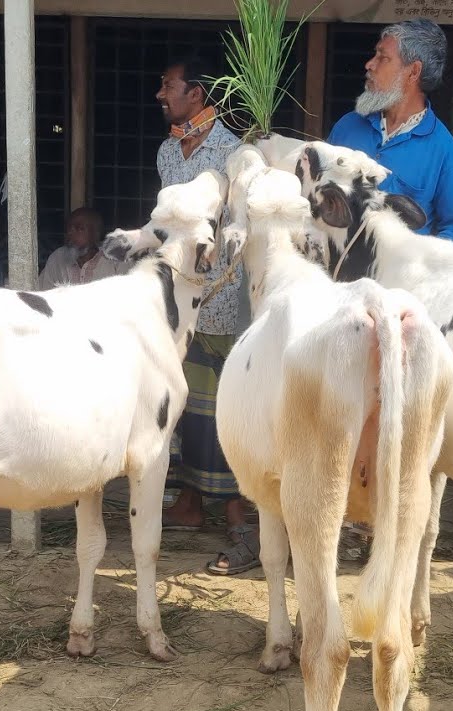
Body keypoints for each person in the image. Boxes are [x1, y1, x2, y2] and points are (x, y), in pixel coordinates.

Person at [153, 55, 257, 577]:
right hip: (180, 300)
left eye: (168, 86)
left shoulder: (235, 154)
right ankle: (190, 505)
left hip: (225, 300)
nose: (160, 94)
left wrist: (215, 280)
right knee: (187, 405)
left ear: (197, 94)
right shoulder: (168, 153)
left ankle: (239, 519)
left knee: (224, 409)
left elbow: (240, 233)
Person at [326, 19, 453, 254]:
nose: (369, 64)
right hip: (336, 281)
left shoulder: (444, 152)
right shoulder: (347, 126)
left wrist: (416, 263)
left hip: (397, 286)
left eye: (382, 57)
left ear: (413, 71)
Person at [38, 208, 128, 289]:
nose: (70, 233)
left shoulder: (116, 260)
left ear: (96, 234)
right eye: (69, 229)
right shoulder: (58, 258)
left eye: (79, 228)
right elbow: (43, 293)